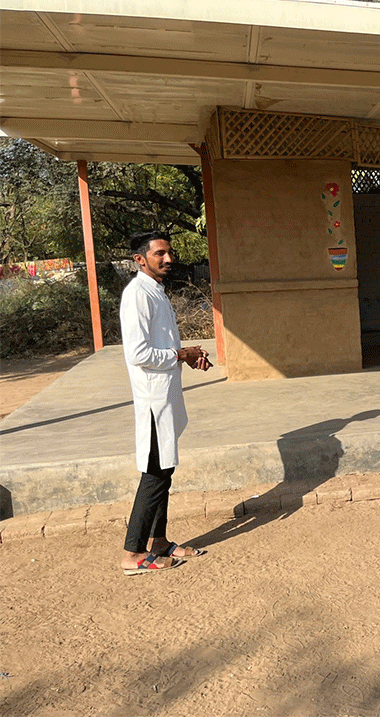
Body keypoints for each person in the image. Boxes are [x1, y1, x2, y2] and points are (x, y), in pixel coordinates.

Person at [120, 231, 212, 575]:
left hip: (167, 397)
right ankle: (132, 554)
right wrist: (179, 353)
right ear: (140, 259)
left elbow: (160, 347)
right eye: (160, 253)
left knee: (165, 472)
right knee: (155, 475)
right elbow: (139, 353)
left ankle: (158, 543)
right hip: (153, 401)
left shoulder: (156, 292)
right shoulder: (137, 295)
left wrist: (184, 358)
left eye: (169, 252)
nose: (168, 259)